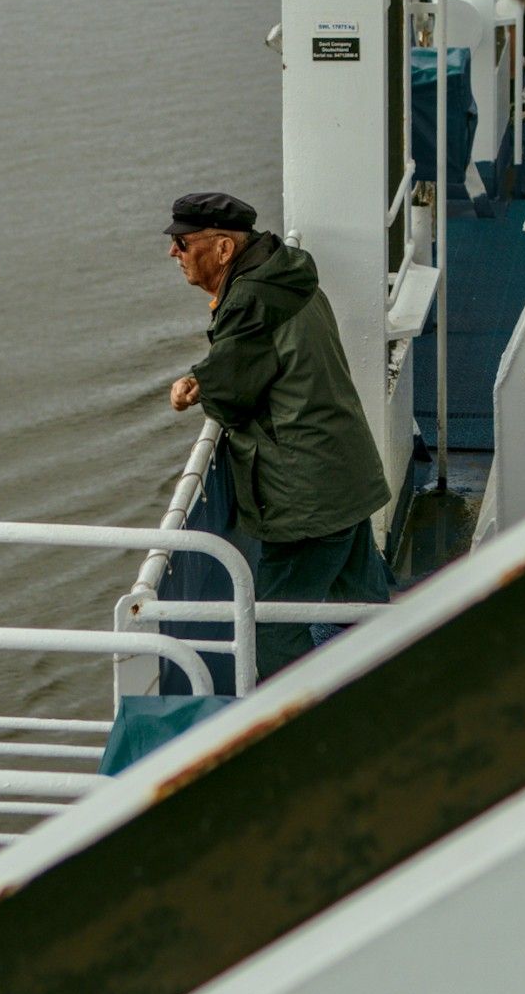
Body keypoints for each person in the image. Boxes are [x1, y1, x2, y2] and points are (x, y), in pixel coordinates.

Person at [165, 191, 393, 682]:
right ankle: (391, 679)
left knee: (270, 626)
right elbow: (254, 359)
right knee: (363, 599)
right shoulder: (284, 273)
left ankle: (296, 722)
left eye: (182, 244)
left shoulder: (250, 300)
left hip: (306, 492)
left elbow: (232, 395)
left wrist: (194, 390)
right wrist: (208, 374)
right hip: (345, 470)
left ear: (223, 249)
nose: (173, 253)